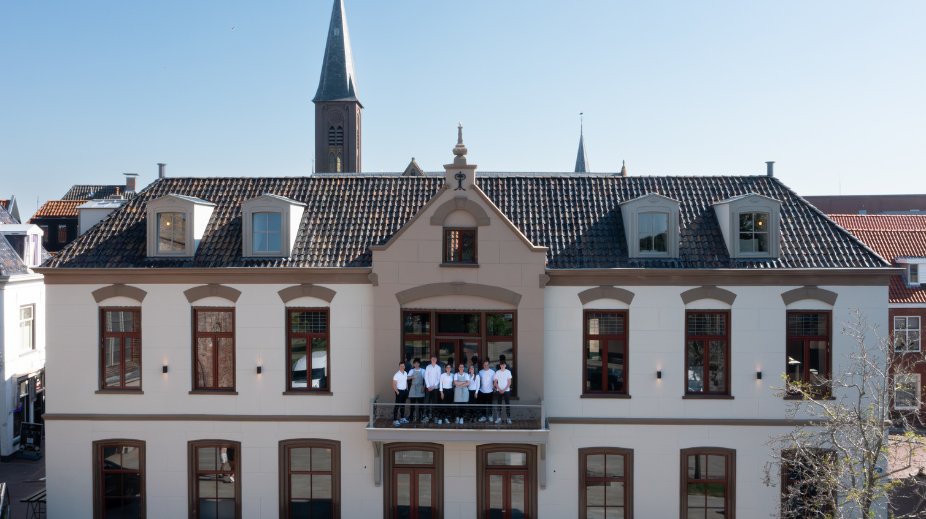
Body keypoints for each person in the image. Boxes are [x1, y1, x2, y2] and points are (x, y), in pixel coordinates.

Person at [423, 356, 442, 423]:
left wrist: (433, 387)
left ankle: (435, 416)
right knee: (427, 402)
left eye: (434, 359)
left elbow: (439, 378)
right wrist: (428, 386)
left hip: (435, 388)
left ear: (436, 360)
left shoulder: (438, 368)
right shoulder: (428, 367)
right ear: (430, 360)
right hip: (428, 388)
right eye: (432, 359)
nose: (433, 360)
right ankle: (427, 416)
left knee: (436, 403)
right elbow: (426, 377)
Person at [392, 361, 410, 426]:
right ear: (399, 367)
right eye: (401, 366)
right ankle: (395, 420)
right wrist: (397, 391)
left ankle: (402, 418)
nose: (402, 367)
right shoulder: (397, 374)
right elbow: (393, 385)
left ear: (404, 367)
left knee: (403, 405)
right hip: (399, 391)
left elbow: (406, 381)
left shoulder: (405, 373)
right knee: (397, 406)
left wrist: (407, 390)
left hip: (404, 391)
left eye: (403, 366)